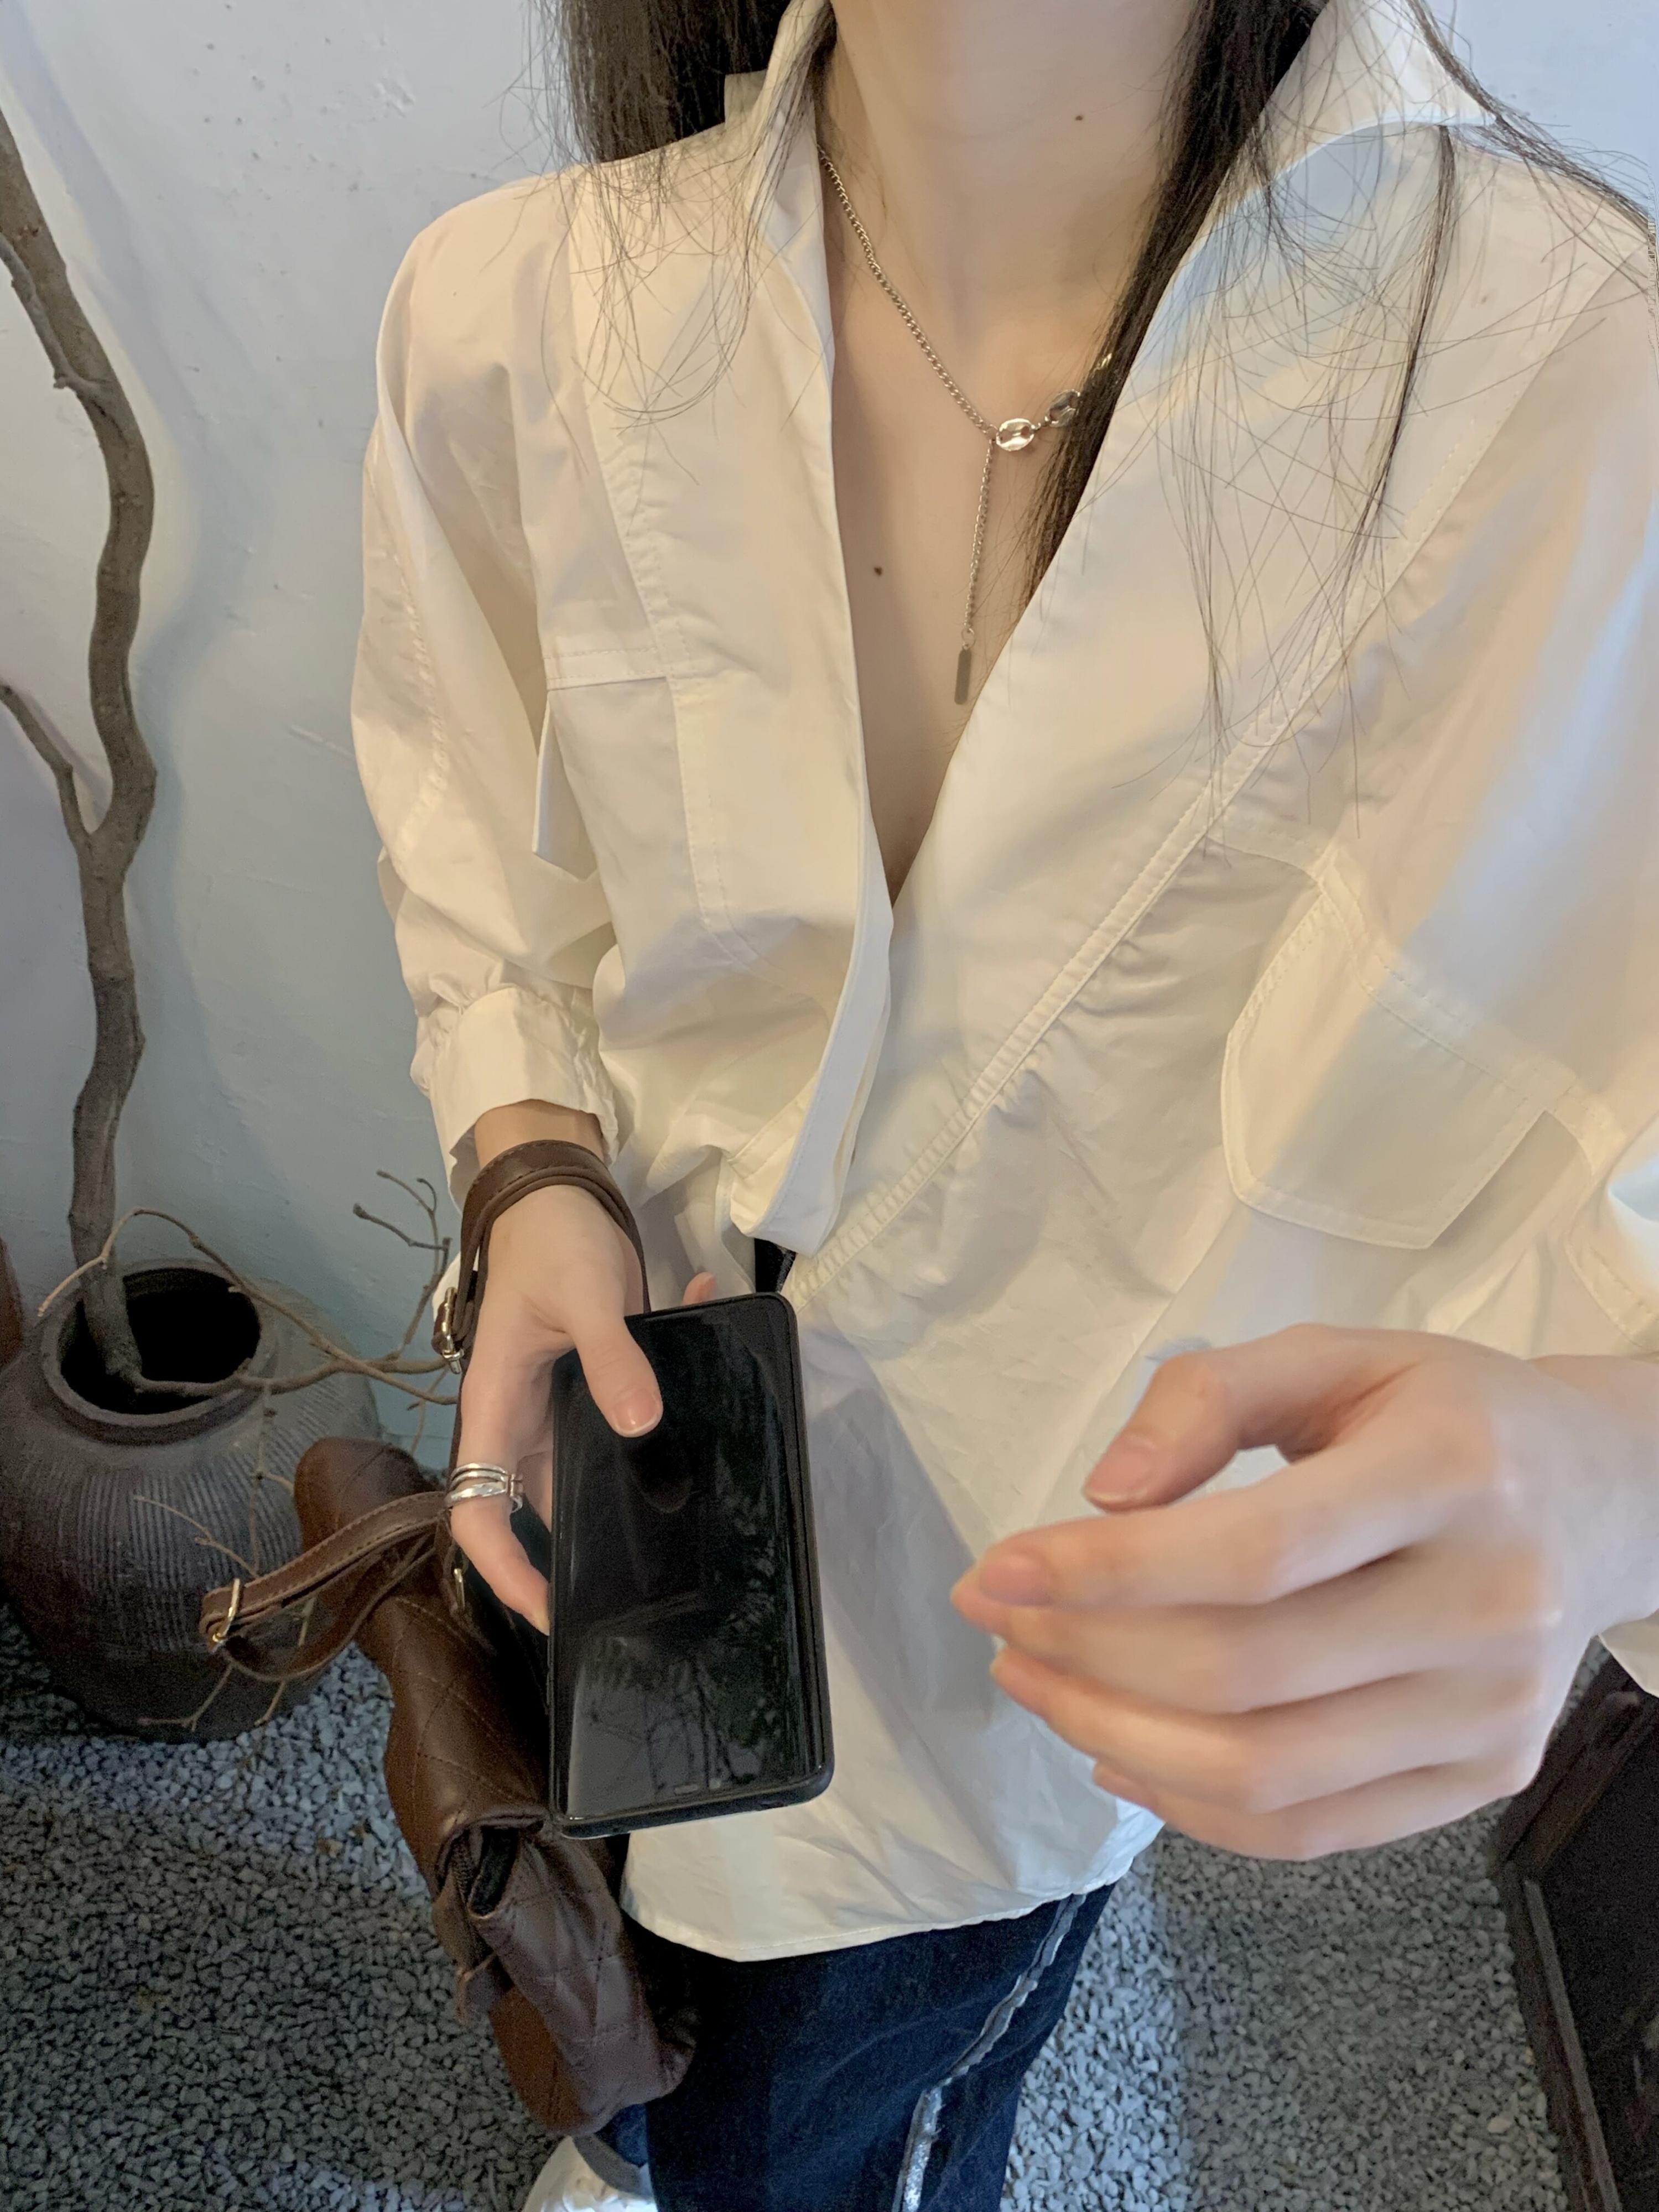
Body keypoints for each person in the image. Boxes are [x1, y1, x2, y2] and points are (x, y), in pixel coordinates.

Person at [349, 0, 1659, 2203]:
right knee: (628, 1979)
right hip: (635, 1464)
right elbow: (488, 849)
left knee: (854, 2111)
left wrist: (1618, 1475)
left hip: (1008, 1687)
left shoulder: (1588, 411)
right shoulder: (516, 312)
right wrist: (532, 1162)